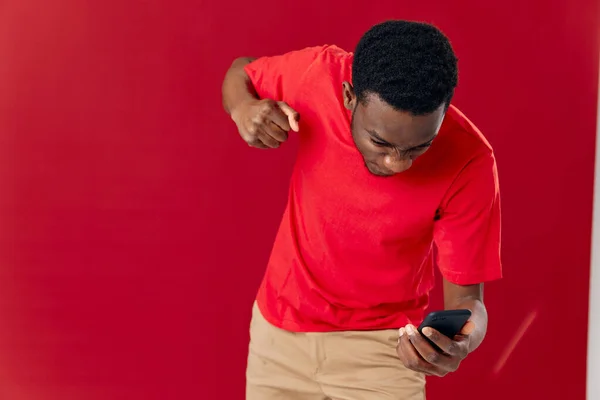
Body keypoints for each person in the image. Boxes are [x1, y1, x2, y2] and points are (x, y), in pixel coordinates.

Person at [221, 19, 502, 400]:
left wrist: (460, 343)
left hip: (385, 352)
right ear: (348, 97)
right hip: (280, 336)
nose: (396, 164)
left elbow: (469, 303)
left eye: (419, 148)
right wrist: (244, 109)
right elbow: (241, 71)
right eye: (380, 142)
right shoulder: (317, 75)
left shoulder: (471, 161)